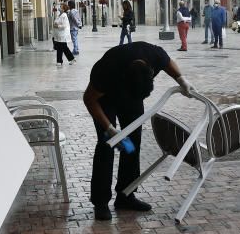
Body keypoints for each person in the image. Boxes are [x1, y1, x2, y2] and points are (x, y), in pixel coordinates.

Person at [83, 43, 196, 220]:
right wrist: (110, 129)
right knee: (106, 146)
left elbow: (168, 63)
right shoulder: (107, 70)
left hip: (132, 98)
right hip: (105, 100)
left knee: (132, 144)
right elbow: (89, 99)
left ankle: (126, 195)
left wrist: (181, 79)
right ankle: (101, 202)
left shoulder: (154, 55)